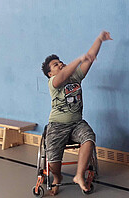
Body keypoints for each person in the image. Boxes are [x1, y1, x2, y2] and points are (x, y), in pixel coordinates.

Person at [41, 31, 112, 195]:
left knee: (89, 137)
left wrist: (99, 39)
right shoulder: (53, 82)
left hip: (76, 123)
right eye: (55, 65)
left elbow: (90, 58)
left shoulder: (76, 78)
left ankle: (79, 175)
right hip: (57, 126)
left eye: (61, 62)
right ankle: (57, 177)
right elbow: (66, 73)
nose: (60, 65)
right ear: (50, 74)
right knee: (53, 159)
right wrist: (80, 58)